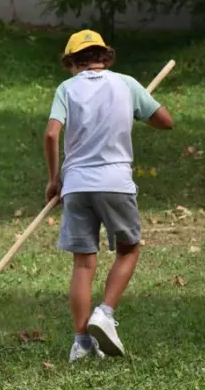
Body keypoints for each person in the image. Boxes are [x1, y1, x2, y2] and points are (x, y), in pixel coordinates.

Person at [43, 30, 174, 363]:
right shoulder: (126, 84)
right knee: (129, 250)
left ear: (73, 61)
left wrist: (53, 179)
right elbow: (165, 122)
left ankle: (81, 342)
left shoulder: (66, 88)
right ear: (105, 56)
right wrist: (137, 109)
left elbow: (51, 133)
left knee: (83, 262)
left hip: (76, 184)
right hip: (115, 181)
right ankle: (104, 312)